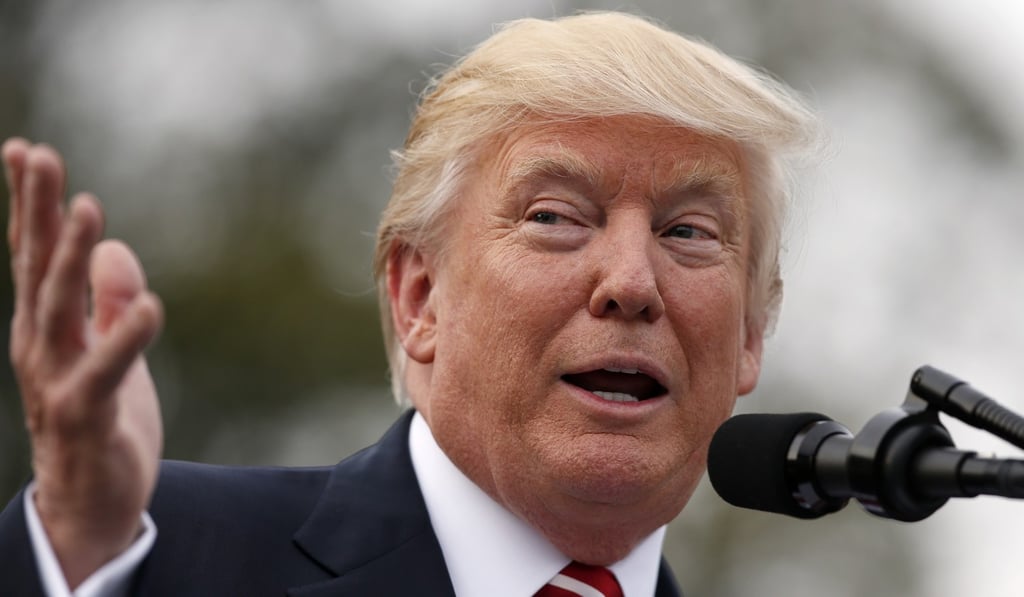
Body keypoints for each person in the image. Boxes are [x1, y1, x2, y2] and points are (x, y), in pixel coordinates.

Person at [0, 11, 820, 597]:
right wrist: (74, 541)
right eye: (555, 217)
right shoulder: (159, 554)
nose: (632, 283)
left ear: (751, 335)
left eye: (688, 231)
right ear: (420, 297)